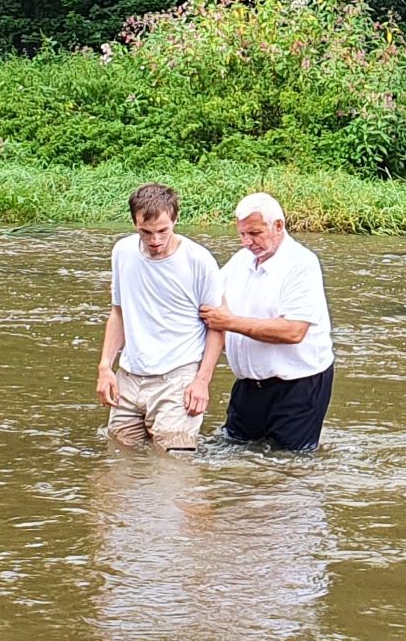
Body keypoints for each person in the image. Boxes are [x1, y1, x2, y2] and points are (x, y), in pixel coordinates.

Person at [96, 182, 226, 454]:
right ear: (134, 223)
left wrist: (202, 380)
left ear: (175, 220)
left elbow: (217, 326)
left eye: (162, 231)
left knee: (175, 469)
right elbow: (118, 312)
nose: (155, 240)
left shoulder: (198, 261)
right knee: (119, 462)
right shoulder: (122, 252)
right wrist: (106, 367)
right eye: (146, 232)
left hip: (178, 380)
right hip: (129, 378)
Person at [202, 192, 335, 451]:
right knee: (233, 450)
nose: (247, 242)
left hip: (299, 384)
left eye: (254, 233)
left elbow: (294, 331)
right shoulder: (241, 261)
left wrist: (230, 322)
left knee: (289, 464)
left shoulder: (302, 264)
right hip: (249, 384)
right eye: (241, 234)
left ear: (278, 226)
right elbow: (211, 298)